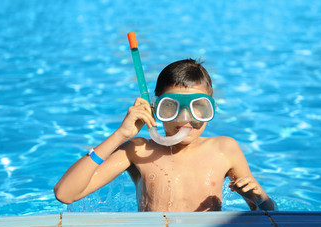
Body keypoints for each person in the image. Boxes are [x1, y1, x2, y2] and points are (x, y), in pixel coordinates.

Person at [54, 59, 277, 211]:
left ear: (212, 109)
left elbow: (267, 214)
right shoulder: (138, 150)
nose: (185, 118)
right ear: (155, 109)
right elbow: (66, 194)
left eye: (199, 107)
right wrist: (121, 134)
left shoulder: (224, 149)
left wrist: (261, 198)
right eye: (171, 108)